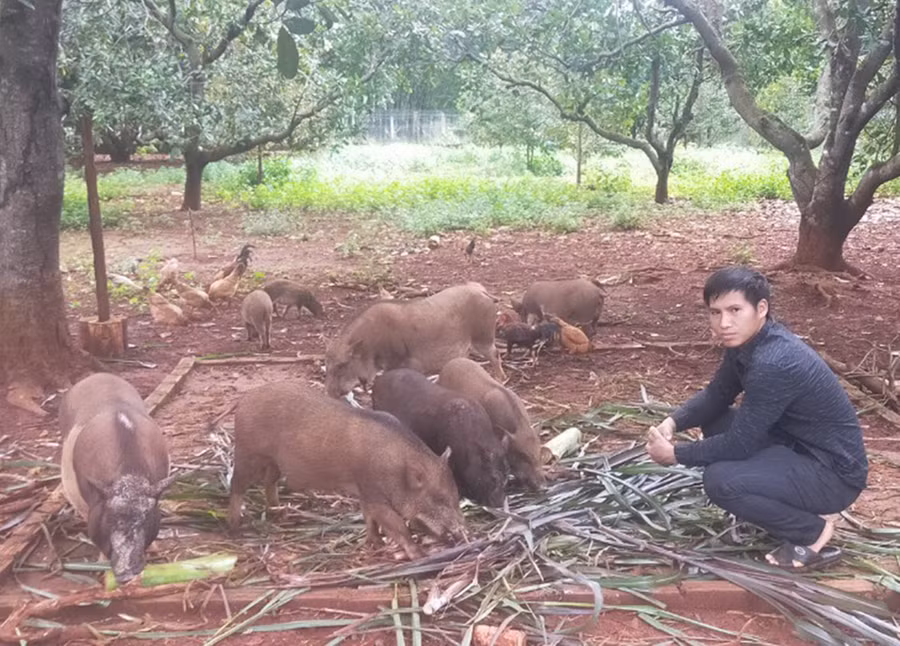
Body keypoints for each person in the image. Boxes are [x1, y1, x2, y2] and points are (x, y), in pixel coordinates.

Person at [645, 266, 868, 571]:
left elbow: (740, 445)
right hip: (799, 449)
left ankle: (809, 532)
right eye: (715, 312)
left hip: (833, 476)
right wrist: (672, 422)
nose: (724, 323)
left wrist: (675, 454)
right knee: (717, 420)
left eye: (735, 310)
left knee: (720, 482)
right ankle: (778, 503)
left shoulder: (774, 362)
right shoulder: (750, 343)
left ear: (761, 308)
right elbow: (717, 395)